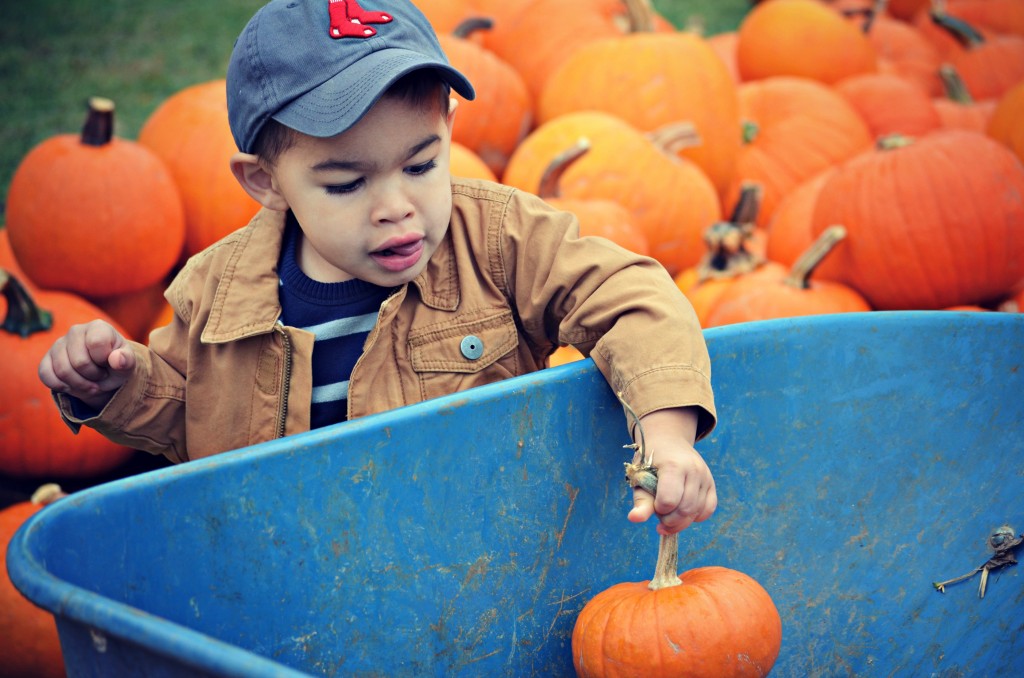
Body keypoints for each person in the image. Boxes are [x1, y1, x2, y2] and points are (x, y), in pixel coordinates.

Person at [38, 0, 717, 535]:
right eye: (345, 184)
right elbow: (192, 419)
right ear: (265, 181)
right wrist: (114, 389)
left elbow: (629, 296)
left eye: (421, 166)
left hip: (474, 558)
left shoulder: (499, 240)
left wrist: (665, 435)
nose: (397, 208)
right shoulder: (218, 296)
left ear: (450, 129)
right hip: (295, 566)